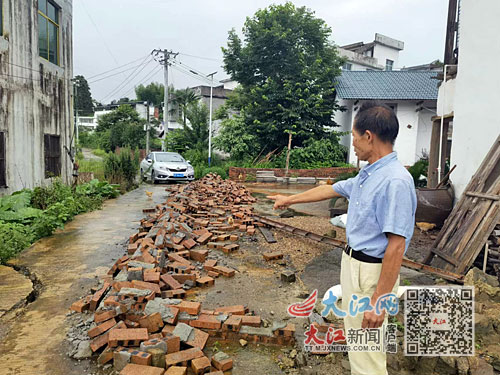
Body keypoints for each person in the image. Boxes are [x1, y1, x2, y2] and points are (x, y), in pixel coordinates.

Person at [268, 102, 417, 375]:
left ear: (369, 136)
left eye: (355, 138)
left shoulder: (395, 181)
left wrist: (379, 301)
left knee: (367, 348)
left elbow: (396, 246)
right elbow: (330, 190)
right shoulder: (368, 173)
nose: (354, 144)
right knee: (357, 340)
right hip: (353, 265)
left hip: (372, 272)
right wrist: (288, 199)